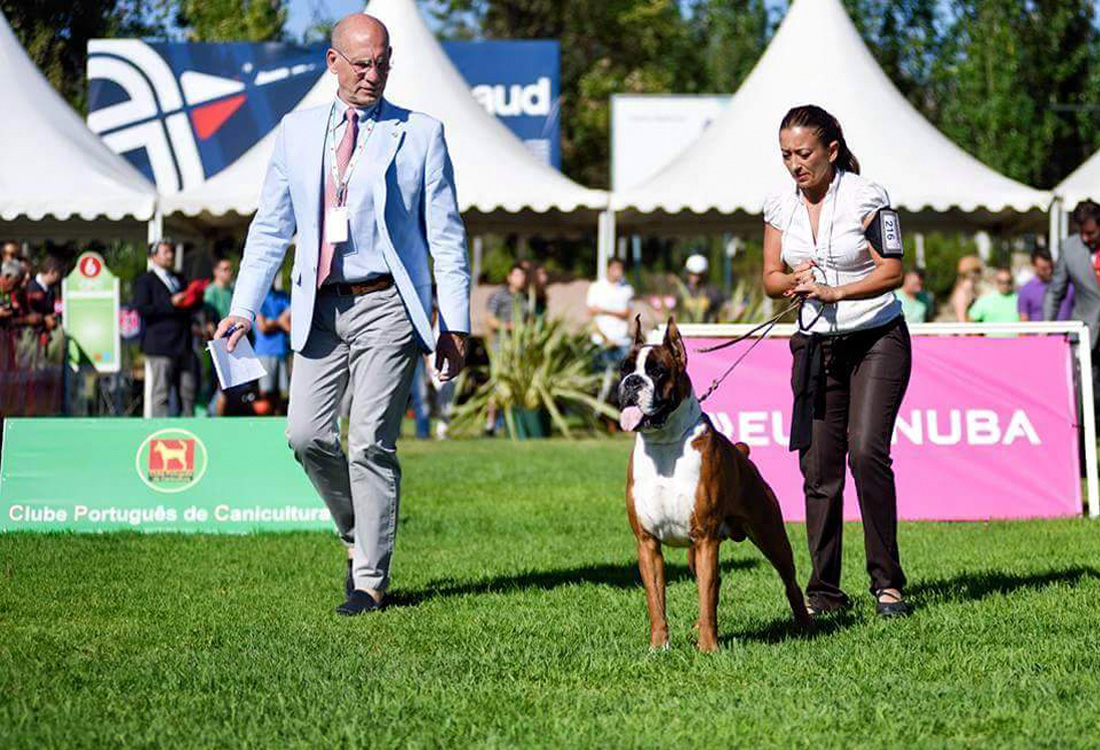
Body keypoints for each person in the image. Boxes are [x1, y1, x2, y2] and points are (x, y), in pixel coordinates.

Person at [213, 13, 470, 617]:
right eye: (361, 63)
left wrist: (454, 325)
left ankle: (370, 581)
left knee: (369, 443)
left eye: (383, 61)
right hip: (319, 306)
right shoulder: (296, 132)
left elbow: (448, 236)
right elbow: (272, 227)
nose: (373, 74)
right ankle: (359, 529)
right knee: (303, 435)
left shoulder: (421, 134)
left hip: (389, 305)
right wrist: (243, 308)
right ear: (333, 63)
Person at [762, 104, 912, 618]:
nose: (794, 164)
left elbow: (893, 271)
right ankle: (824, 591)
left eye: (803, 153)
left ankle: (887, 584)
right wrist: (794, 279)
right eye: (785, 155)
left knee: (867, 451)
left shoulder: (868, 196)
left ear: (830, 149)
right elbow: (769, 279)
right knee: (818, 471)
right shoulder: (779, 205)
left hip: (877, 339)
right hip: (814, 346)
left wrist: (836, 290)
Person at [1045, 200, 1100, 423]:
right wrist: (1046, 328)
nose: (1086, 238)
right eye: (1082, 233)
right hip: (1088, 331)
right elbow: (1055, 291)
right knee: (1089, 392)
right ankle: (1089, 443)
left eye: (1091, 232)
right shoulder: (1069, 248)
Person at [134, 241, 199, 417]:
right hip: (160, 345)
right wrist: (170, 303)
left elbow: (190, 307)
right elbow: (142, 308)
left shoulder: (179, 278)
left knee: (187, 391)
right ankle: (160, 431)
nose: (169, 256)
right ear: (153, 257)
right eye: (165, 252)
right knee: (161, 392)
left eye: (171, 252)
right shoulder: (145, 281)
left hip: (183, 343)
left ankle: (189, 431)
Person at [253, 284, 292, 415]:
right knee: (265, 395)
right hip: (265, 352)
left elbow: (290, 323)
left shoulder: (283, 295)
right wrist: (280, 321)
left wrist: (273, 322)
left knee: (282, 395)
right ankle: (264, 427)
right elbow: (262, 325)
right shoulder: (259, 296)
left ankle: (278, 426)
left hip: (282, 352)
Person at [587, 257, 635, 352]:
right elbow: (591, 311)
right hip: (600, 340)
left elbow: (626, 313)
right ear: (608, 269)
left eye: (619, 269)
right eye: (614, 268)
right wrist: (616, 312)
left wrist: (604, 310)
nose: (617, 271)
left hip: (621, 340)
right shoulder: (596, 287)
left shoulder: (627, 290)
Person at [1019, 249, 1072, 322]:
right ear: (1034, 267)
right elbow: (1024, 320)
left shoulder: (1068, 286)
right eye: (1044, 269)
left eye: (1051, 267)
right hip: (1038, 333)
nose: (1049, 271)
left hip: (1067, 332)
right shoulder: (1026, 290)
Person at [486, 262, 529, 343]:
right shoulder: (499, 295)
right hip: (501, 343)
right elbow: (490, 319)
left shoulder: (526, 297)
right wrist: (508, 326)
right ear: (509, 277)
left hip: (521, 343)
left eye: (523, 275)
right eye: (517, 275)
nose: (521, 278)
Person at [679, 254, 725, 323]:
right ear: (687, 273)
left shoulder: (713, 292)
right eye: (692, 273)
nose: (696, 278)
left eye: (699, 274)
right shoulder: (680, 292)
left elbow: (724, 309)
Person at [949, 255, 983, 322]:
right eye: (978, 271)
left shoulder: (971, 291)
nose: (980, 274)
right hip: (967, 331)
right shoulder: (962, 293)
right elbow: (962, 321)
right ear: (970, 273)